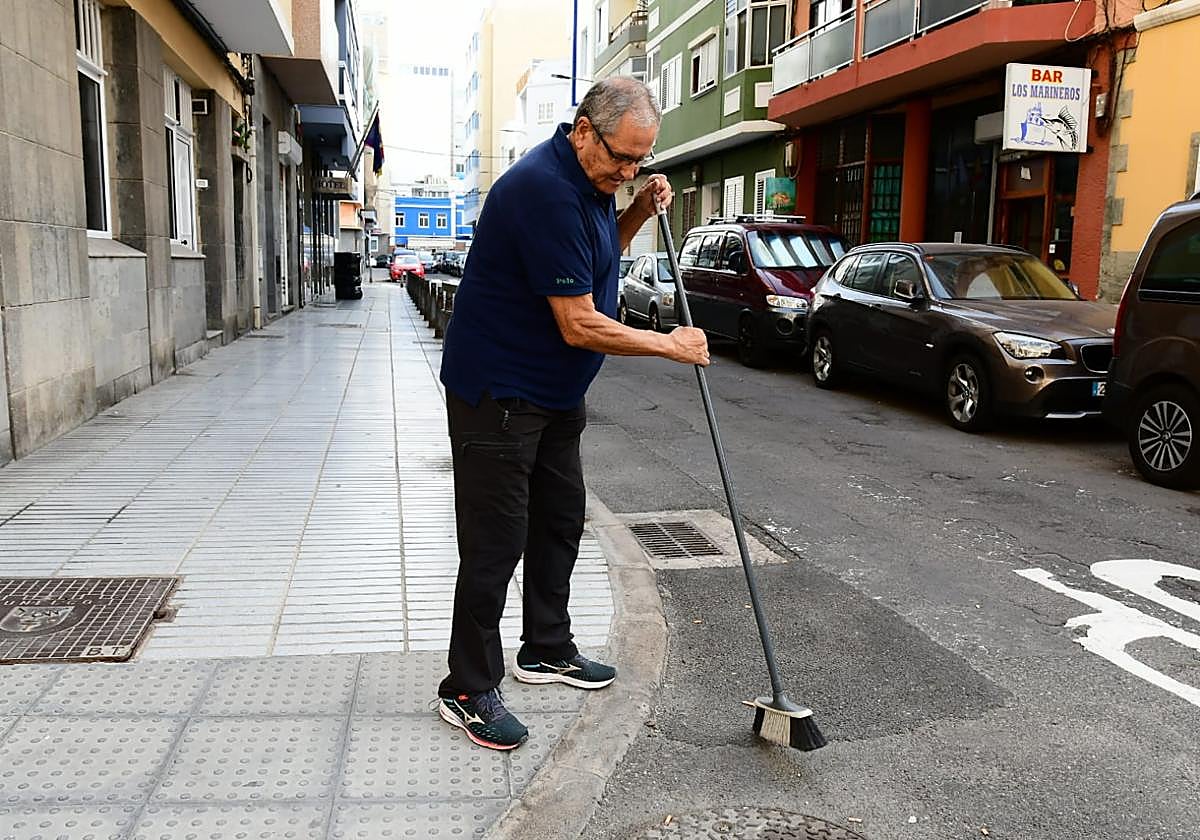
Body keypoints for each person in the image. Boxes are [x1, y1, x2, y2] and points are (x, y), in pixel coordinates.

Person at [436, 77, 709, 751]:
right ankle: (467, 688)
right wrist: (668, 344)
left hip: (554, 396)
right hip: (499, 394)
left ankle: (546, 648)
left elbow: (597, 257)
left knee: (558, 522)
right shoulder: (544, 190)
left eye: (641, 162)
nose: (629, 171)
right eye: (622, 158)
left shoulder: (590, 186)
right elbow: (580, 322)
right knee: (495, 542)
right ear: (584, 129)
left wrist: (639, 209)